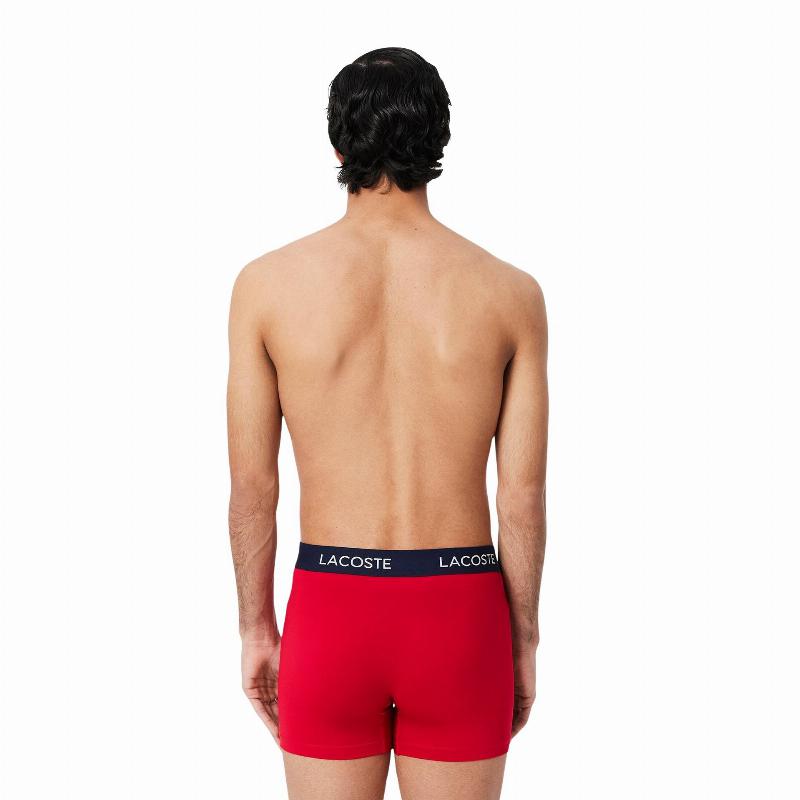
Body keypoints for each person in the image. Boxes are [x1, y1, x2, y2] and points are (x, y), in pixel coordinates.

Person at [227, 47, 548, 800]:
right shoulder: (510, 294)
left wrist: (256, 627)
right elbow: (522, 498)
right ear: (439, 141)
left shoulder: (265, 287)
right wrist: (523, 638)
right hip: (460, 615)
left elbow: (253, 488)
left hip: (330, 609)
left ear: (336, 144)